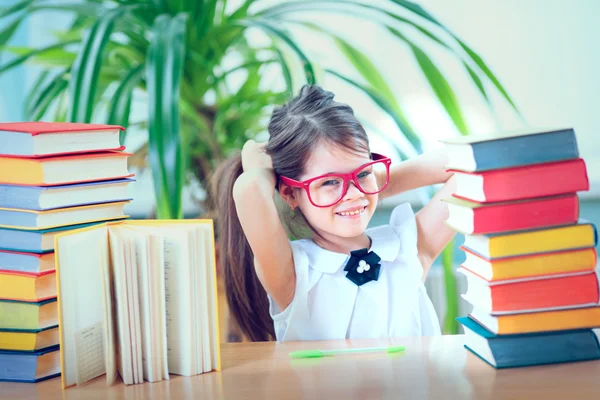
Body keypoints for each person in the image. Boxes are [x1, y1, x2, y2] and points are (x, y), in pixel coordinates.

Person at [212, 84, 456, 342]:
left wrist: (373, 185)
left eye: (363, 173)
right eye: (329, 182)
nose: (352, 193)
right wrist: (256, 161)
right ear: (291, 194)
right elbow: (251, 190)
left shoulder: (409, 248)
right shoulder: (292, 272)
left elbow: (475, 164)